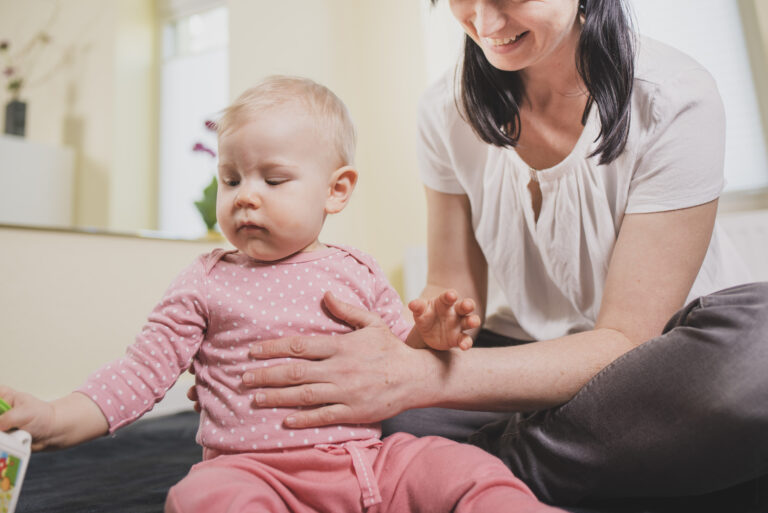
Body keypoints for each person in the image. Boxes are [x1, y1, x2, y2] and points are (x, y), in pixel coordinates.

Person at [218, 0, 768, 508]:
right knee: (344, 412)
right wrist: (386, 351)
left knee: (756, 361)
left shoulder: (675, 95)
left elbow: (625, 339)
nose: (483, 21)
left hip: (661, 365)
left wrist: (416, 380)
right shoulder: (444, 108)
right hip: (518, 362)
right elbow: (449, 290)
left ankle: (469, 472)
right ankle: (465, 476)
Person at [0, 76, 565, 513]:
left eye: (272, 180)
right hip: (256, 470)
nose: (246, 197)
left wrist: (430, 337)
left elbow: (401, 365)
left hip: (371, 462)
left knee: (463, 468)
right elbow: (136, 377)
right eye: (231, 179)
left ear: (336, 190)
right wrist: (52, 416)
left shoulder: (357, 272)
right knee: (203, 497)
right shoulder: (205, 281)